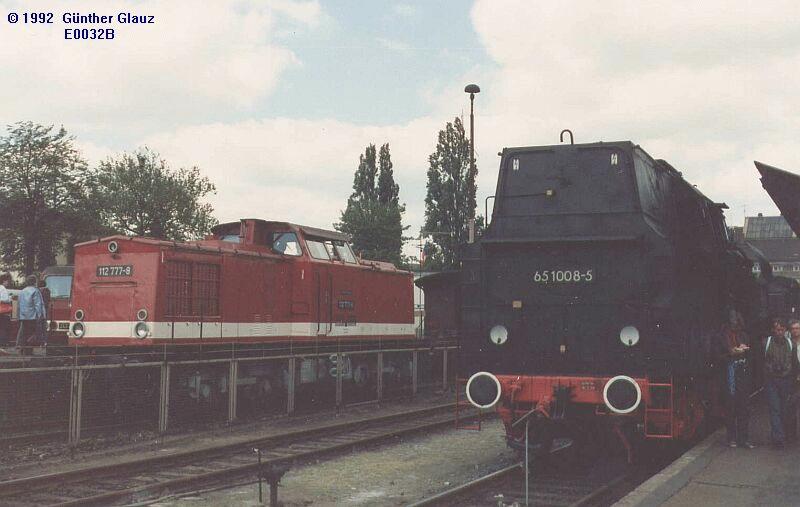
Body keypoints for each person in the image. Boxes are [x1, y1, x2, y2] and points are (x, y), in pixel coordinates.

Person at [719, 309, 754, 448]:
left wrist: (744, 349)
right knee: (731, 407)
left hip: (742, 371)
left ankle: (744, 438)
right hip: (728, 373)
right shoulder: (722, 337)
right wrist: (731, 353)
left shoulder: (744, 335)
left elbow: (750, 354)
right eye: (733, 322)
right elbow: (716, 356)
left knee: (744, 407)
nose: (735, 324)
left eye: (737, 322)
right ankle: (732, 438)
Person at [764, 317, 797, 447]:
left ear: (785, 330)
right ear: (773, 330)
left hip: (786, 380)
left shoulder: (791, 344)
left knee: (784, 409)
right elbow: (761, 361)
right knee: (774, 408)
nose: (779, 332)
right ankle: (778, 438)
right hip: (771, 381)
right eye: (777, 329)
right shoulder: (766, 343)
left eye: (782, 330)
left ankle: (782, 434)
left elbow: (794, 363)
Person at [16, 275, 45, 352]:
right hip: (32, 316)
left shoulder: (22, 291)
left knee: (24, 333)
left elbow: (18, 305)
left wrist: (18, 316)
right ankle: (29, 350)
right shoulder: (35, 291)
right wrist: (40, 315)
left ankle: (23, 349)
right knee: (32, 333)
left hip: (23, 316)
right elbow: (38, 304)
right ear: (34, 282)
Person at [36, 278, 51, 346]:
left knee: (39, 327)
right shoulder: (47, 291)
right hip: (45, 311)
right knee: (44, 327)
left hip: (39, 311)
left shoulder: (39, 292)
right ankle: (45, 341)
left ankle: (40, 341)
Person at [0, 273, 11, 346]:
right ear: (4, 281)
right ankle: (3, 343)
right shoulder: (3, 288)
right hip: (3, 311)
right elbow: (5, 299)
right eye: (7, 281)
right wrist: (10, 298)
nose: (8, 283)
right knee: (4, 327)